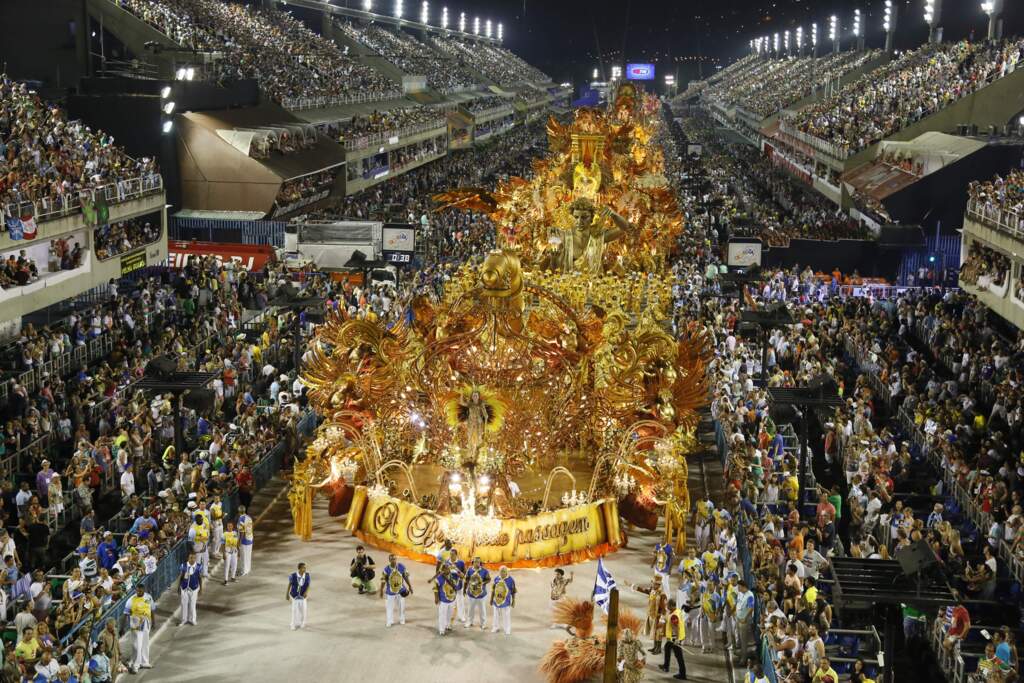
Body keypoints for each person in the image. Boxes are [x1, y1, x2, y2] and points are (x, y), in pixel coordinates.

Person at [123, 582, 154, 673]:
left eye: (141, 590)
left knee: (145, 642)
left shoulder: (148, 597)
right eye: (137, 590)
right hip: (136, 625)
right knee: (137, 645)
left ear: (144, 589)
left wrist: (154, 622)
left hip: (146, 623)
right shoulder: (131, 600)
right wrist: (122, 627)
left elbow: (151, 609)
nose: (139, 592)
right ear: (136, 590)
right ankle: (135, 665)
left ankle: (145, 662)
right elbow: (125, 614)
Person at [379, 554, 412, 627]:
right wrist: (381, 590)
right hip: (390, 592)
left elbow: (406, 577)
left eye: (395, 559)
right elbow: (383, 581)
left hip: (401, 591)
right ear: (389, 560)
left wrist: (410, 586)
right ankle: (389, 621)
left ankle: (402, 619)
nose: (394, 560)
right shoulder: (386, 569)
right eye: (392, 559)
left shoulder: (401, 566)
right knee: (389, 607)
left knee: (401, 607)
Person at [659, 599, 687, 680]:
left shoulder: (674, 616)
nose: (666, 607)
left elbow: (676, 628)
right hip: (674, 638)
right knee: (667, 648)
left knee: (679, 656)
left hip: (675, 639)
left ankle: (682, 674)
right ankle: (666, 666)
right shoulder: (677, 611)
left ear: (671, 606)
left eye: (667, 605)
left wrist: (677, 640)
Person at [433, 562, 459, 636]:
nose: (447, 570)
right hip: (443, 600)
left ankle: (448, 625)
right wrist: (436, 598)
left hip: (452, 599)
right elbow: (435, 588)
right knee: (442, 614)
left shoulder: (453, 576)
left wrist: (455, 568)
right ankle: (442, 629)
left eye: (448, 568)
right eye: (445, 569)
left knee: (450, 614)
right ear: (443, 569)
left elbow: (462, 576)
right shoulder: (439, 578)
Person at [464, 556, 489, 630]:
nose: (477, 563)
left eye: (478, 562)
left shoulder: (484, 571)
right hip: (471, 594)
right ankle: (469, 622)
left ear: (480, 563)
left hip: (481, 594)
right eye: (475, 561)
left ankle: (483, 624)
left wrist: (482, 583)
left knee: (482, 610)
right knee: (470, 609)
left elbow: (489, 579)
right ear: (473, 562)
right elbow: (466, 580)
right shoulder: (469, 570)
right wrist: (464, 590)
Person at [178, 550, 203, 626]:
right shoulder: (183, 566)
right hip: (184, 588)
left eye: (194, 558)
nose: (192, 559)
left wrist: (201, 588)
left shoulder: (198, 566)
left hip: (194, 588)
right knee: (184, 604)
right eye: (190, 557)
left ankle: (192, 619)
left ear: (195, 558)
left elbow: (200, 578)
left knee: (192, 604)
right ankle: (183, 620)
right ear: (188, 558)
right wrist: (178, 587)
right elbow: (181, 577)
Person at [490, 565, 516, 635]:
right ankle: (495, 627)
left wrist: (513, 600)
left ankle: (507, 629)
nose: (502, 573)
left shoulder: (511, 580)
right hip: (497, 601)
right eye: (501, 571)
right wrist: (491, 599)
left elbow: (513, 591)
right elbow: (493, 590)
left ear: (507, 572)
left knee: (506, 616)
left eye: (504, 571)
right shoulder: (496, 579)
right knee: (496, 615)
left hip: (506, 602)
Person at [287, 562, 311, 630]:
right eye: (303, 568)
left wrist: (306, 592)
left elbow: (309, 584)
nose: (305, 569)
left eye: (305, 567)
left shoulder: (307, 575)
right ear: (299, 568)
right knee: (294, 610)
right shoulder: (293, 575)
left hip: (303, 597)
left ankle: (303, 622)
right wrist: (287, 594)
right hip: (295, 596)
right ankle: (293, 624)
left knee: (304, 609)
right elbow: (289, 585)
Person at [237, 506, 254, 576]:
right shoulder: (249, 517)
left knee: (243, 556)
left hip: (244, 540)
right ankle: (248, 569)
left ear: (239, 512)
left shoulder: (241, 519)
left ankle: (243, 571)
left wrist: (239, 542)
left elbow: (242, 532)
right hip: (250, 538)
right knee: (248, 555)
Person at [222, 520, 239, 585]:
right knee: (227, 566)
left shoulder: (235, 533)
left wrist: (238, 550)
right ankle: (225, 580)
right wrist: (223, 554)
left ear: (233, 526)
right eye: (228, 526)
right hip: (227, 552)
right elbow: (223, 544)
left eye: (231, 526)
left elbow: (237, 542)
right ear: (227, 527)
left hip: (234, 552)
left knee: (234, 565)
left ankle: (233, 577)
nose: (230, 527)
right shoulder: (224, 534)